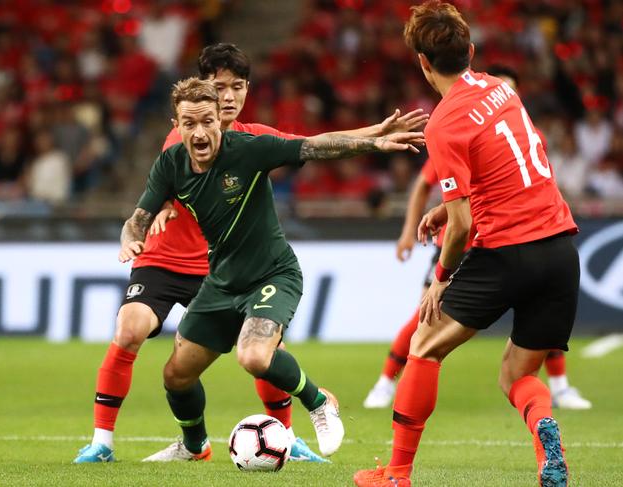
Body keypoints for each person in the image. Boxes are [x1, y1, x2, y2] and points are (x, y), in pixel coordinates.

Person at [74, 43, 427, 464]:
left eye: (214, 113)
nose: (201, 131)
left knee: (254, 355)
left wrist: (375, 138)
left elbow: (315, 145)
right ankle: (192, 446)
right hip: (218, 278)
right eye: (192, 122)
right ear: (178, 123)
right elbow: (139, 213)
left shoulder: (250, 145)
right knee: (175, 375)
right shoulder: (172, 158)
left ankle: (318, 403)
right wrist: (131, 235)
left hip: (270, 273)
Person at [354, 2, 578, 486]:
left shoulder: (444, 123)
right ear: (472, 51)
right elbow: (504, 173)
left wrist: (442, 278)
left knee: (424, 345)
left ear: (422, 62)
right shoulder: (502, 89)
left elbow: (460, 226)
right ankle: (544, 433)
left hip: (506, 252)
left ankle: (395, 474)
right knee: (517, 376)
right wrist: (454, 206)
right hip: (560, 247)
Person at [363, 65, 591, 411]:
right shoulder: (504, 116)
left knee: (426, 337)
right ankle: (384, 382)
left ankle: (399, 464)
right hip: (530, 239)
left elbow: (467, 213)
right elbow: (434, 185)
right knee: (523, 341)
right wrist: (414, 228)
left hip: (489, 242)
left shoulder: (452, 124)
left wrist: (442, 265)